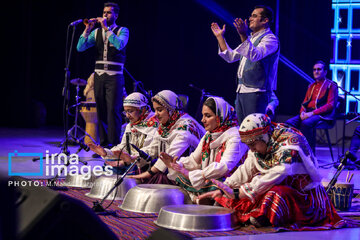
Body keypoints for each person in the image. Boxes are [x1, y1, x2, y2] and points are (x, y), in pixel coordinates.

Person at [198, 113, 345, 229]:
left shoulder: (290, 144)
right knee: (255, 190)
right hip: (276, 184)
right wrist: (225, 189)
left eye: (253, 144)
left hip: (304, 196)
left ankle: (263, 216)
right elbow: (246, 170)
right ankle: (255, 213)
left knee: (273, 194)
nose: (251, 149)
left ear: (263, 137)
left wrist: (238, 193)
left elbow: (275, 175)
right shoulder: (261, 142)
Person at [160, 96, 248, 202]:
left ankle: (199, 198)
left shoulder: (235, 136)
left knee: (218, 185)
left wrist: (197, 174)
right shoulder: (209, 135)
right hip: (209, 178)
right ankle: (197, 199)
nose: (202, 120)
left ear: (219, 117)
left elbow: (224, 167)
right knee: (180, 178)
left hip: (230, 181)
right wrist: (177, 165)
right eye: (203, 115)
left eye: (208, 116)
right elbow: (194, 159)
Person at [211, 5, 279, 124]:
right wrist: (220, 37)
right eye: (251, 15)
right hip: (241, 90)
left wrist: (243, 35)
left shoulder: (270, 39)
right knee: (242, 130)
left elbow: (255, 55)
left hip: (257, 92)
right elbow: (230, 57)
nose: (250, 18)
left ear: (265, 20)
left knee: (254, 130)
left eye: (254, 16)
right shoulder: (251, 39)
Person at [122, 90, 205, 184]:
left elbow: (170, 155)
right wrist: (132, 158)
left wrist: (148, 173)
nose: (156, 114)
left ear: (171, 109)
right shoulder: (166, 125)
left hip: (192, 172)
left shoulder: (186, 126)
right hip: (173, 169)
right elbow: (153, 149)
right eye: (155, 110)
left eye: (160, 110)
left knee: (156, 181)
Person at [77, 2, 129, 149]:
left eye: (109, 12)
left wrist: (106, 28)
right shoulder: (96, 32)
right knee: (102, 110)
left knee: (114, 110)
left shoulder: (123, 30)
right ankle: (105, 146)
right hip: (99, 75)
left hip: (114, 76)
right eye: (104, 12)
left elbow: (119, 45)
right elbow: (80, 48)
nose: (105, 15)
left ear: (116, 15)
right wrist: (87, 30)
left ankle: (116, 146)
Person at [88, 92, 159, 175]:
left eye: (130, 111)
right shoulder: (131, 125)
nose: (127, 115)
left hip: (144, 163)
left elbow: (149, 153)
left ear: (142, 110)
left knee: (132, 169)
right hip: (129, 160)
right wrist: (106, 153)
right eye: (126, 112)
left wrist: (128, 161)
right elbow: (123, 146)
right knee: (108, 165)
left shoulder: (154, 124)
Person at [286, 60, 338, 152]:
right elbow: (304, 103)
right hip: (308, 113)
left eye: (319, 69)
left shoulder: (331, 85)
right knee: (288, 123)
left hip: (322, 115)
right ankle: (293, 151)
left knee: (306, 123)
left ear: (325, 72)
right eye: (314, 70)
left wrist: (312, 113)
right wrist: (302, 112)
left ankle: (309, 154)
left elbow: (330, 105)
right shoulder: (311, 86)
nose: (316, 71)